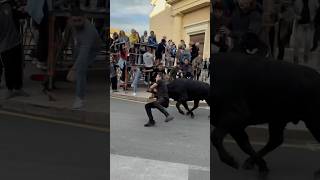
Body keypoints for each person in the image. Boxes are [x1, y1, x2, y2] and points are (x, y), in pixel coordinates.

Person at [69, 9, 102, 109]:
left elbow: (84, 53)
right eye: (74, 21)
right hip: (78, 44)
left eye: (79, 20)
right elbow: (68, 35)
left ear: (84, 18)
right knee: (77, 65)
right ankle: (81, 80)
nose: (77, 23)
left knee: (80, 70)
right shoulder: (70, 24)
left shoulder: (89, 31)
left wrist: (73, 69)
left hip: (92, 49)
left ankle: (80, 99)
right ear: (70, 20)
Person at [0, 0, 29, 99]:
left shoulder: (8, 5)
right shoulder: (5, 6)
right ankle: (10, 89)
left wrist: (24, 11)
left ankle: (18, 88)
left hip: (15, 41)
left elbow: (19, 15)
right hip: (4, 44)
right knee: (9, 67)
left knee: (17, 66)